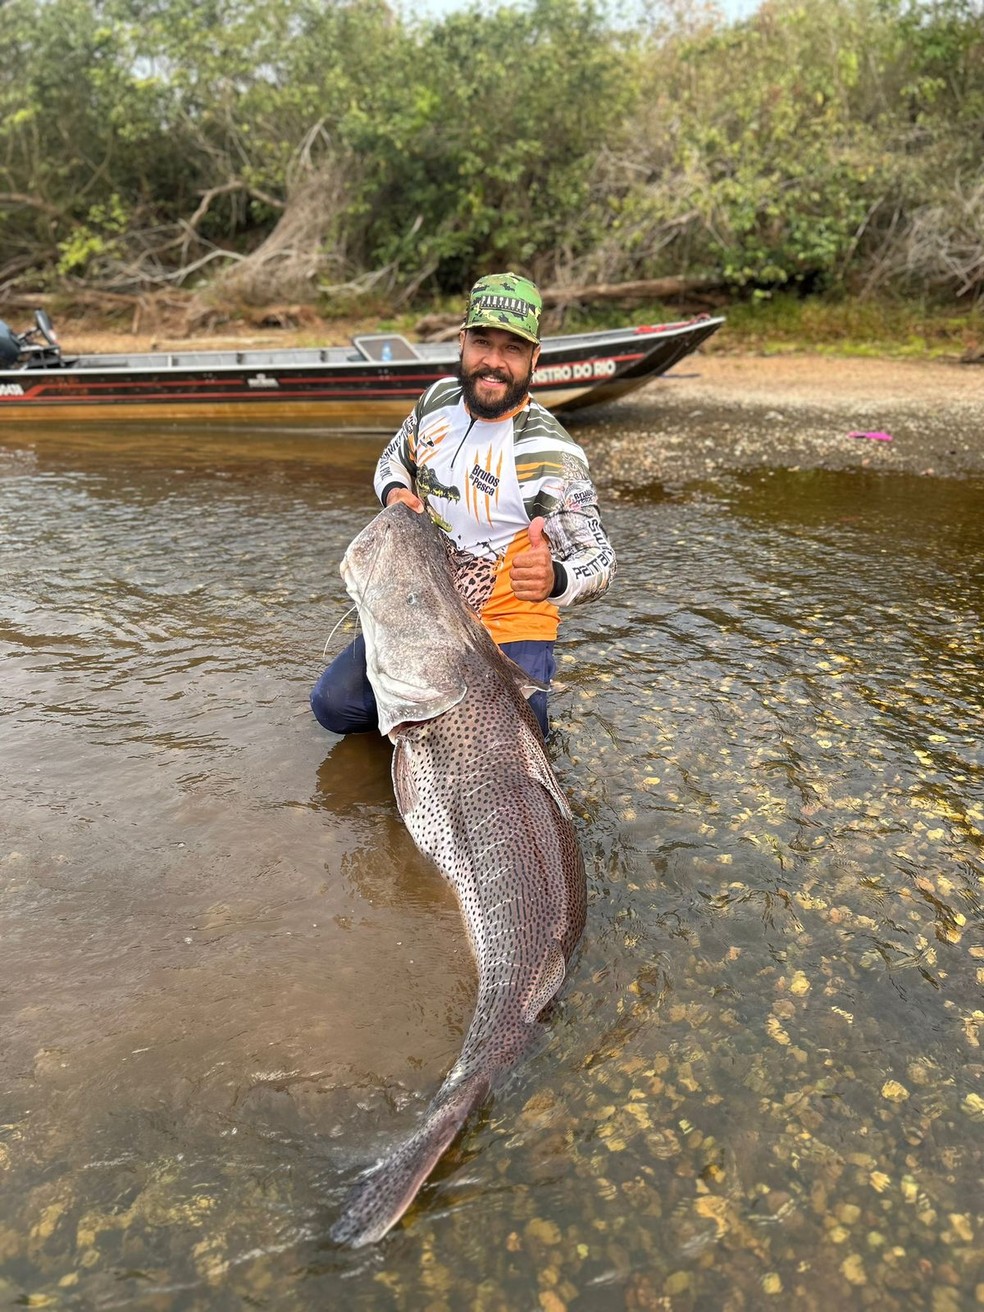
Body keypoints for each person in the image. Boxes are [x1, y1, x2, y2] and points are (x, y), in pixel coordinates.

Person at [310, 271, 616, 738]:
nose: (493, 363)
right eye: (482, 343)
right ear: (461, 342)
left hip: (509, 624)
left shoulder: (551, 455)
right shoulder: (437, 401)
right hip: (429, 606)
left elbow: (601, 560)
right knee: (334, 706)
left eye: (512, 348)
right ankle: (416, 735)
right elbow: (392, 459)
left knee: (521, 742)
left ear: (535, 357)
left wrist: (555, 578)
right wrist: (395, 494)